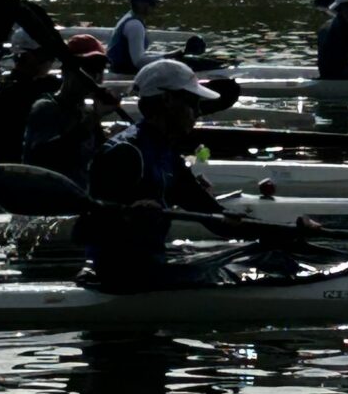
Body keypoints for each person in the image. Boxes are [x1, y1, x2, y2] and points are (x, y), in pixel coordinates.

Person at [80, 58, 240, 290]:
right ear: (168, 100)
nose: (197, 112)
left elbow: (212, 215)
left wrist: (278, 231)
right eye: (192, 103)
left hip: (150, 266)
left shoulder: (166, 153)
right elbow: (85, 231)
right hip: (119, 277)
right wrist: (128, 218)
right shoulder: (125, 153)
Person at [21, 33, 120, 187]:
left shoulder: (86, 112)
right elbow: (43, 159)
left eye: (99, 70)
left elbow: (101, 160)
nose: (96, 77)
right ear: (66, 70)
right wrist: (93, 118)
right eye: (89, 69)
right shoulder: (46, 108)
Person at [0, 29, 58, 165]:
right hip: (18, 162)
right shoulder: (19, 91)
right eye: (46, 55)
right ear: (28, 56)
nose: (51, 61)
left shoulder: (1, 86)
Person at [106, 0, 162, 78]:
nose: (153, 8)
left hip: (115, 69)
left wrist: (168, 55)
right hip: (123, 74)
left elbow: (138, 55)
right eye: (151, 4)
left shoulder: (129, 17)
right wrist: (167, 58)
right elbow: (138, 62)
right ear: (141, 4)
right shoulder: (135, 25)